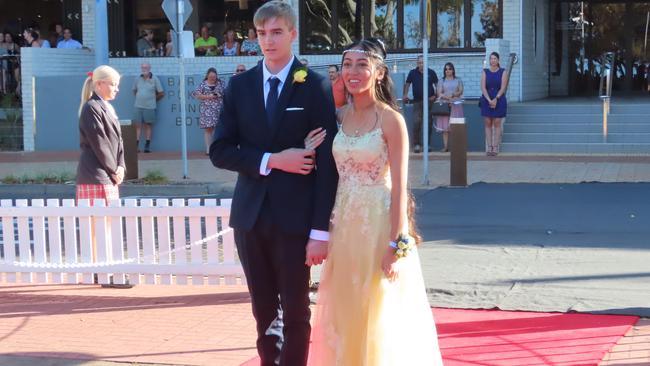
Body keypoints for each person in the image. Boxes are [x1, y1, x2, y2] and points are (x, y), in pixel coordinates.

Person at [209, 2, 338, 365]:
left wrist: (320, 231)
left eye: (277, 32)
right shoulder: (239, 86)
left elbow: (326, 165)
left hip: (296, 222)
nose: (268, 40)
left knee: (296, 311)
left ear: (293, 34)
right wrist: (274, 160)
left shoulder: (315, 86)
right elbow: (220, 150)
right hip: (249, 219)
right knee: (263, 313)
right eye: (262, 33)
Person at [307, 38, 444, 365]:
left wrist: (397, 244)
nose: (352, 72)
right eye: (347, 65)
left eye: (361, 65)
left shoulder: (390, 120)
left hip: (379, 225)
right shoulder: (338, 118)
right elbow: (328, 172)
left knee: (379, 311)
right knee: (346, 309)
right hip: (344, 226)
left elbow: (400, 186)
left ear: (379, 73)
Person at [76, 65, 125, 203]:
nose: (117, 89)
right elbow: (100, 143)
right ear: (99, 84)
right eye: (113, 84)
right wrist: (114, 170)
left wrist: (121, 166)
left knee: (107, 223)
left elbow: (119, 141)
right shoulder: (91, 107)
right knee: (97, 223)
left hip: (108, 175)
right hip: (95, 176)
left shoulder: (107, 107)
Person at [403, 55, 438, 153]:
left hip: (429, 101)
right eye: (419, 62)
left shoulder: (431, 72)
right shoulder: (412, 73)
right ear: (417, 63)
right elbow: (407, 84)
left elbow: (437, 85)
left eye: (422, 62)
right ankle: (417, 145)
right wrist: (405, 94)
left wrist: (435, 95)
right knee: (416, 122)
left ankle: (427, 145)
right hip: (417, 101)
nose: (421, 64)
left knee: (428, 123)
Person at [480, 51, 508, 156]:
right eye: (491, 58)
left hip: (499, 99)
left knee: (497, 123)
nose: (493, 60)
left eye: (495, 58)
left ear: (498, 60)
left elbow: (503, 87)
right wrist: (489, 100)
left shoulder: (503, 71)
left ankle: (495, 147)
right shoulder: (485, 72)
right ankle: (489, 146)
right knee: (487, 123)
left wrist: (496, 98)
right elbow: (483, 87)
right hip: (486, 100)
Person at [132, 63, 164, 153]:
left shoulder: (155, 79)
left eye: (146, 67)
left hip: (150, 107)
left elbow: (161, 93)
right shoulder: (137, 78)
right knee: (137, 125)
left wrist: (153, 99)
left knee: (148, 125)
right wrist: (140, 97)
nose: (144, 69)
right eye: (142, 67)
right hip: (138, 106)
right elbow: (134, 90)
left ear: (150, 68)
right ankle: (136, 146)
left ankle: (147, 146)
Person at [192, 67, 225, 155]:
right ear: (207, 76)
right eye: (210, 77)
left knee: (219, 130)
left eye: (214, 77)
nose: (212, 79)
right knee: (208, 130)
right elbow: (197, 95)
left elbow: (226, 92)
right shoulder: (202, 84)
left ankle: (218, 149)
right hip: (206, 110)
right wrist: (209, 96)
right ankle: (208, 149)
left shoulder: (221, 83)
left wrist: (219, 94)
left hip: (218, 110)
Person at [435, 62, 464, 152]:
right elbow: (439, 93)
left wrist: (453, 95)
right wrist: (448, 98)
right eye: (446, 69)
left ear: (453, 70)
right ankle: (446, 147)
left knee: (456, 127)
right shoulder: (441, 80)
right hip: (445, 106)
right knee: (445, 129)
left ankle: (456, 147)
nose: (448, 71)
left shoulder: (458, 80)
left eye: (449, 69)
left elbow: (461, 90)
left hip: (456, 105)